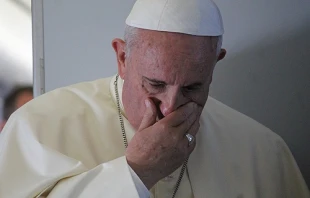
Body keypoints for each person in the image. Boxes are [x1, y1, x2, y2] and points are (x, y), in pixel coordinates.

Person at [0, 0, 309, 197]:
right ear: (122, 57)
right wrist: (136, 171)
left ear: (216, 65)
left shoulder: (263, 152)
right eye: (155, 83)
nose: (171, 106)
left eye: (191, 88)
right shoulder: (37, 127)